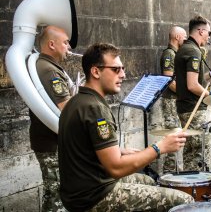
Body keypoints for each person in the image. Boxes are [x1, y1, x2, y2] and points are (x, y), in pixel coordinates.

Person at [58, 43, 193, 211]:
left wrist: (120, 150)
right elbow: (116, 168)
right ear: (95, 71)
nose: (123, 74)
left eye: (122, 68)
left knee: (149, 181)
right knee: (185, 201)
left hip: (81, 189)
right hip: (94, 196)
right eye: (116, 69)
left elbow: (84, 148)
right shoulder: (94, 108)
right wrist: (160, 147)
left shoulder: (78, 100)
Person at [29, 25, 72, 211]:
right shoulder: (49, 71)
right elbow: (67, 108)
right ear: (52, 44)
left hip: (49, 140)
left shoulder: (45, 65)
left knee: (52, 193)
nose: (69, 47)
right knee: (58, 197)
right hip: (51, 143)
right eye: (65, 42)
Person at [174, 15, 211, 171]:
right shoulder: (193, 51)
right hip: (194, 108)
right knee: (199, 154)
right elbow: (192, 85)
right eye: (209, 33)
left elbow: (193, 80)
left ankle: (189, 188)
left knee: (190, 153)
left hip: (185, 107)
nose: (209, 37)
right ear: (200, 31)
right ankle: (197, 190)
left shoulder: (184, 48)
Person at [160, 26, 187, 172]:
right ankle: (169, 174)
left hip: (175, 101)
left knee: (178, 139)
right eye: (184, 36)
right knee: (173, 139)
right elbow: (168, 80)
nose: (186, 38)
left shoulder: (176, 53)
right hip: (170, 101)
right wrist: (185, 94)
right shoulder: (169, 54)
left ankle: (176, 173)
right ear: (177, 37)